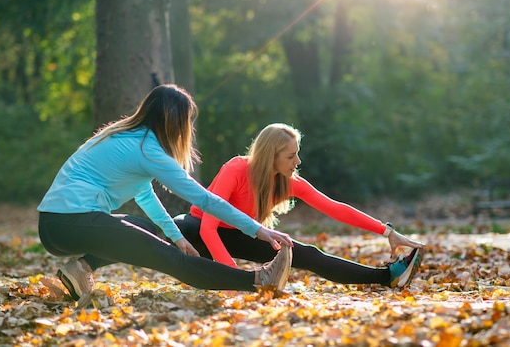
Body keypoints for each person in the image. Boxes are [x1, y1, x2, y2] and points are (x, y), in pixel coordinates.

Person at [37, 85, 294, 301]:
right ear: (175, 121)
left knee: (144, 227)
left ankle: (79, 270)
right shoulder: (146, 148)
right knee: (168, 257)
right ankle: (258, 280)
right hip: (69, 222)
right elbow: (203, 199)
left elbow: (144, 194)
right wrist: (258, 229)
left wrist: (177, 236)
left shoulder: (129, 137)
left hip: (58, 224)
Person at [174, 123, 425, 289]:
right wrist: (232, 278)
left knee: (308, 255)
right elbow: (208, 228)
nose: (298, 160)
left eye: (297, 153)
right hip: (199, 232)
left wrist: (388, 232)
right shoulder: (236, 169)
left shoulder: (288, 182)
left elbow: (335, 208)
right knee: (185, 226)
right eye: (291, 156)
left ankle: (388, 276)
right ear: (270, 155)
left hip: (238, 234)